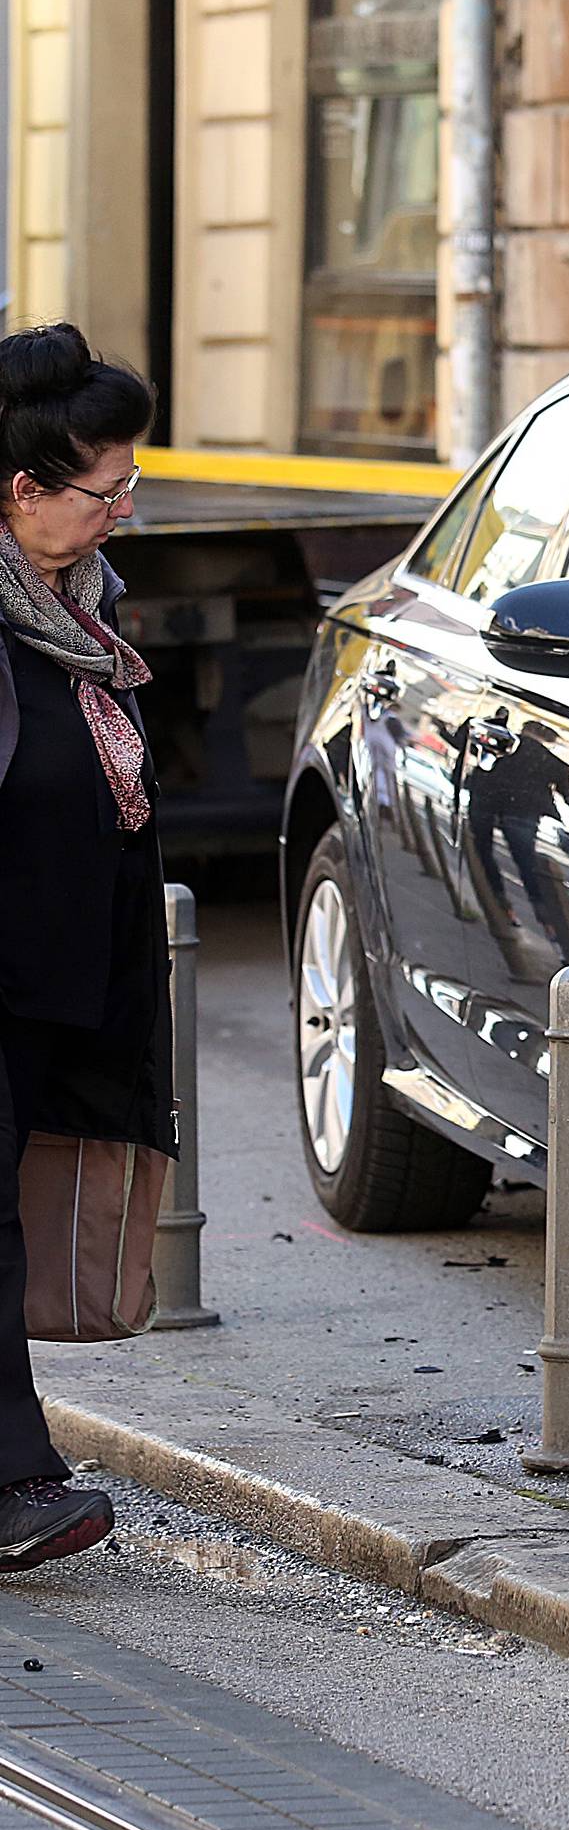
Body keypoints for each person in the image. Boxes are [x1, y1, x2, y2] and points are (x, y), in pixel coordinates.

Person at [0, 321, 171, 1572]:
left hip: (43, 981)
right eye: (104, 489)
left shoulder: (75, 606)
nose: (122, 508)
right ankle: (18, 1482)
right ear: (22, 491)